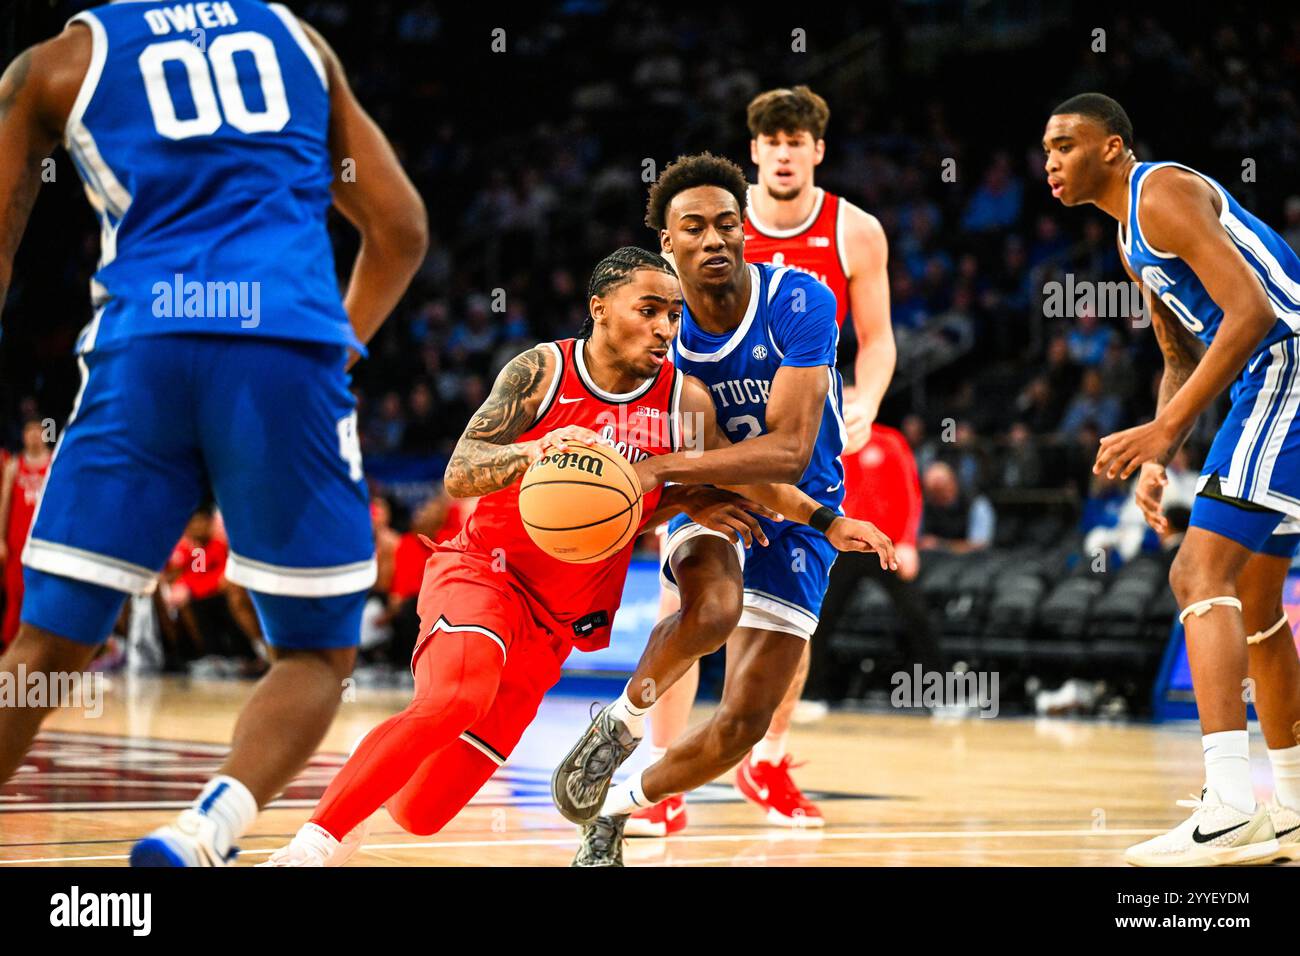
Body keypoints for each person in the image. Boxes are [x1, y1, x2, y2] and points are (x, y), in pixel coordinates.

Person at [262, 247, 890, 866]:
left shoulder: (684, 400)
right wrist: (535, 457)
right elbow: (460, 472)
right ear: (599, 309)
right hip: (485, 576)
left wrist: (826, 520)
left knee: (421, 813)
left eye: (673, 315)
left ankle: (362, 803)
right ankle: (308, 847)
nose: (665, 328)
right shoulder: (541, 371)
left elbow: (737, 476)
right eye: (648, 310)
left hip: (557, 622)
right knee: (452, 699)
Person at [0, 0, 427, 866]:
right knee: (316, 651)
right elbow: (402, 229)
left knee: (47, 645)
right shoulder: (301, 42)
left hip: (142, 350)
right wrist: (334, 352)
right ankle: (206, 830)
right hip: (285, 346)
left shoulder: (56, 62)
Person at [551, 155, 897, 866]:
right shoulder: (657, 336)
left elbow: (789, 452)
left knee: (743, 722)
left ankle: (619, 807)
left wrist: (663, 470)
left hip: (804, 503)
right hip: (711, 497)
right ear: (668, 246)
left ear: (745, 233)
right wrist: (654, 485)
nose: (713, 238)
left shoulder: (800, 301)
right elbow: (635, 447)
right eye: (693, 228)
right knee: (710, 612)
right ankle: (621, 722)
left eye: (726, 224)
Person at [630, 86, 895, 836]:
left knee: (792, 616)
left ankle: (766, 757)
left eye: (798, 139)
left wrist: (866, 404)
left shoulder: (853, 231)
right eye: (771, 139)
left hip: (807, 435)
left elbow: (876, 339)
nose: (784, 151)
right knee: (687, 603)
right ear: (755, 153)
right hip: (711, 443)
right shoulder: (704, 237)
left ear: (817, 150)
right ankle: (660, 767)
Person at [1045, 92, 1300, 865]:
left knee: (1198, 572)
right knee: (1255, 600)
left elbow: (1252, 314)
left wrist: (1163, 429)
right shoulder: (1130, 239)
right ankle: (1288, 807)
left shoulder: (1159, 192)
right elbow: (1181, 358)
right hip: (1268, 379)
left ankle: (1228, 806)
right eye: (1045, 149)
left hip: (1288, 368)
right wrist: (1161, 459)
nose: (1051, 160)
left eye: (1066, 144)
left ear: (1113, 147)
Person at [0, 416, 52, 646]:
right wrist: (0, 539)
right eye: (28, 431)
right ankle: (10, 649)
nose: (32, 436)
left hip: (44, 543)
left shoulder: (53, 463)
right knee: (15, 596)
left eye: (37, 431)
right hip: (16, 544)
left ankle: (41, 650)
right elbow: (4, 505)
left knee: (43, 596)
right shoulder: (14, 465)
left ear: (44, 434)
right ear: (23, 435)